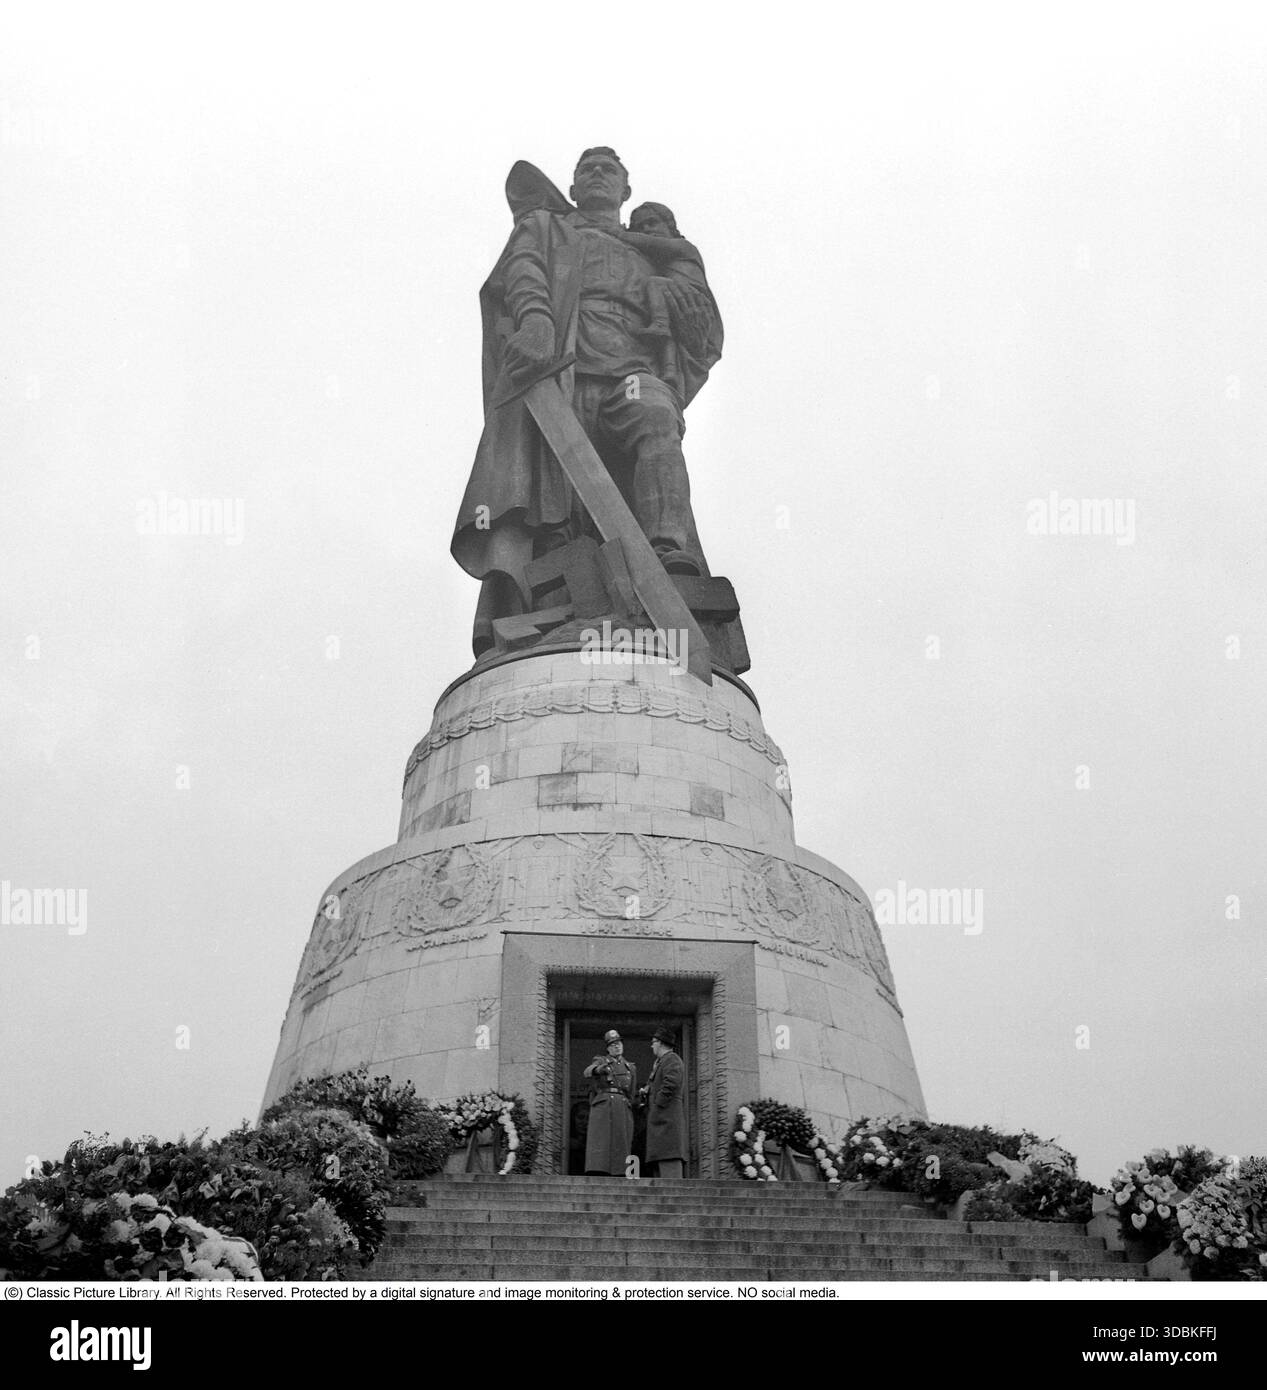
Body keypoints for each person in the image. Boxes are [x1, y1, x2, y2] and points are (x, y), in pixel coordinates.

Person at [451, 148, 724, 656]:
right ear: (573, 188)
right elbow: (523, 270)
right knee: (555, 487)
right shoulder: (548, 227)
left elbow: (701, 328)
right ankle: (560, 594)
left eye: (609, 169)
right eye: (586, 169)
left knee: (656, 418)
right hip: (564, 365)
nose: (597, 174)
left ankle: (667, 551)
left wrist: (681, 289)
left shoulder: (655, 250)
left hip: (632, 369)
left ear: (626, 189)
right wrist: (536, 319)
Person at [582, 1028, 637, 1176]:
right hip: (604, 1104)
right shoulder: (601, 1060)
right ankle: (599, 1171)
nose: (616, 1046)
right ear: (607, 1048)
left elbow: (631, 1093)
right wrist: (599, 1069)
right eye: (612, 1044)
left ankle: (622, 1172)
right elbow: (587, 1071)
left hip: (622, 1106)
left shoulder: (630, 1067)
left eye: (618, 1043)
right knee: (601, 1140)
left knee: (622, 1140)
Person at [640, 1025, 687, 1178]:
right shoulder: (662, 1062)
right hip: (661, 1122)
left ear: (660, 1042)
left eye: (653, 1042)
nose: (652, 1045)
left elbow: (671, 1084)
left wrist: (657, 1105)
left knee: (669, 1163)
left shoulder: (672, 1059)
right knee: (660, 1165)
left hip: (667, 1121)